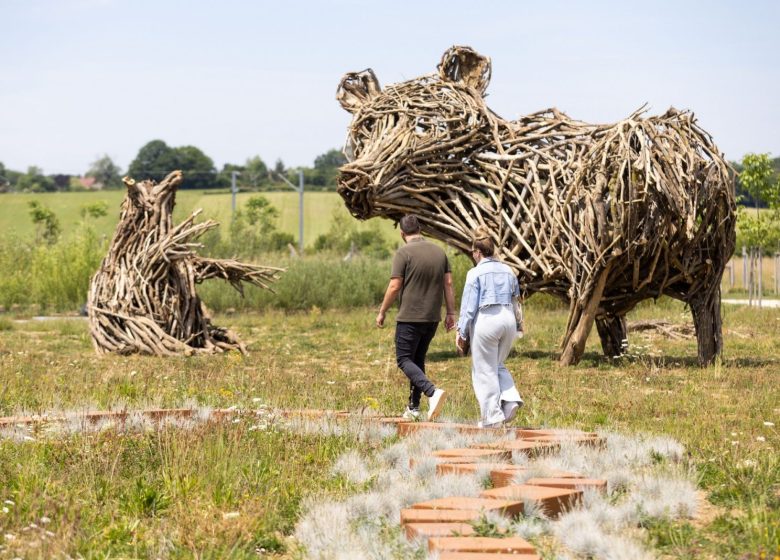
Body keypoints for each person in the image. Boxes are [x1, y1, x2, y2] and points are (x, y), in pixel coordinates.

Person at [376, 215, 456, 420]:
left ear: (402, 233)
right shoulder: (439, 252)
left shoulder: (403, 253)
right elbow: (448, 283)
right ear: (420, 229)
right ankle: (413, 408)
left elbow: (395, 286)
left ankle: (432, 392)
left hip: (410, 317)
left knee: (403, 359)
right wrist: (450, 313)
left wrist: (382, 311)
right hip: (432, 318)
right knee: (417, 360)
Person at [456, 225, 524, 428]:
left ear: (478, 252)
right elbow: (516, 302)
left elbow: (469, 307)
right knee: (496, 364)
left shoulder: (475, 273)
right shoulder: (508, 271)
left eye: (473, 252)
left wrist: (461, 332)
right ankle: (510, 400)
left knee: (484, 370)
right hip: (508, 319)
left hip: (487, 319)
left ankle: (492, 418)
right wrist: (519, 325)